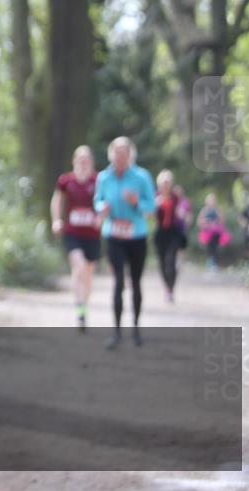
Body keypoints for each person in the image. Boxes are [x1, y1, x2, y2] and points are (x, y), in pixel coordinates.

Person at [94, 136, 156, 349]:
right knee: (118, 281)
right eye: (116, 153)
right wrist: (102, 207)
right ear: (111, 154)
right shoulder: (103, 177)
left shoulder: (141, 176)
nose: (120, 157)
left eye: (124, 153)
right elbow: (97, 200)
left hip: (137, 235)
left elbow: (152, 208)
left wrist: (136, 202)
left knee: (135, 282)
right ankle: (117, 331)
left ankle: (136, 328)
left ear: (131, 155)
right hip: (114, 235)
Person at [51, 145, 101, 332]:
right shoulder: (65, 181)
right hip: (72, 233)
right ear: (74, 161)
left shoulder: (98, 180)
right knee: (78, 267)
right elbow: (57, 200)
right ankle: (79, 308)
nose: (83, 162)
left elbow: (106, 200)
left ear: (91, 162)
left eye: (86, 159)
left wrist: (100, 218)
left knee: (88, 274)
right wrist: (57, 220)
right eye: (80, 159)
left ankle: (84, 307)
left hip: (92, 234)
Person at [153, 170, 183, 304]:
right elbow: (150, 213)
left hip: (173, 232)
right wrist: (156, 204)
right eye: (163, 183)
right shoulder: (155, 197)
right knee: (162, 263)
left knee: (171, 261)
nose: (165, 186)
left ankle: (171, 288)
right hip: (160, 233)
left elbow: (181, 212)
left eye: (167, 183)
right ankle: (167, 287)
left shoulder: (175, 197)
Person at [196, 193, 230, 272]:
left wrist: (217, 221)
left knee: (214, 246)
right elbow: (199, 222)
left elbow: (223, 221)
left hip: (216, 233)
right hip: (206, 233)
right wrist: (205, 222)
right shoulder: (204, 210)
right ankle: (211, 261)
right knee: (209, 247)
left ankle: (213, 262)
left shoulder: (218, 210)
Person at [173, 184, 192, 272]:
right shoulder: (171, 201)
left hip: (182, 228)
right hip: (172, 228)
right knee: (173, 246)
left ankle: (180, 264)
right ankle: (173, 262)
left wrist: (188, 222)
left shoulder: (185, 202)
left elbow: (189, 214)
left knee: (181, 247)